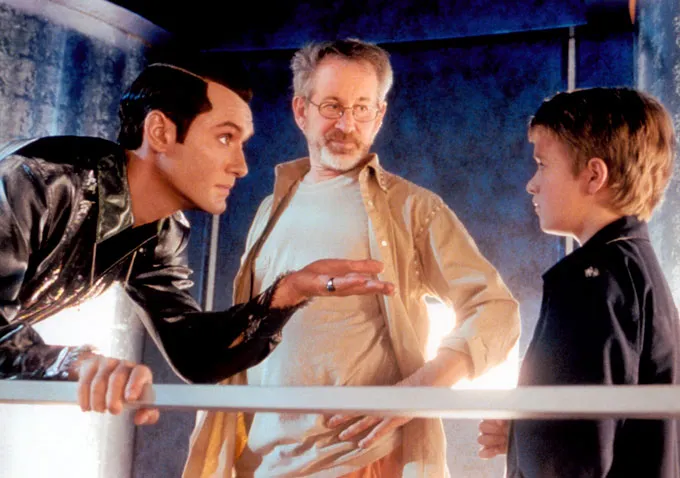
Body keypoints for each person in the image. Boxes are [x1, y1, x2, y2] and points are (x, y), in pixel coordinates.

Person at [184, 39, 520, 478]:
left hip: (359, 461)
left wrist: (416, 392)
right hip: (264, 465)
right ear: (301, 110)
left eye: (362, 108)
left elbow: (495, 310)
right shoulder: (270, 209)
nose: (347, 124)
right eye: (332, 106)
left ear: (379, 116)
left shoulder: (412, 208)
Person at [0, 59, 395, 427]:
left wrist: (287, 292)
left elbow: (194, 353)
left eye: (241, 143)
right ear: (160, 132)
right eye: (225, 137)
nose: (241, 166)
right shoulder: (33, 182)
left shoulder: (162, 230)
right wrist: (77, 363)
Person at [477, 87, 680, 477]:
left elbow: (572, 462)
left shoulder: (591, 283)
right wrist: (526, 435)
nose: (532, 184)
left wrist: (541, 445)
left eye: (543, 165)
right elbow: (611, 432)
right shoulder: (637, 269)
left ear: (593, 175)